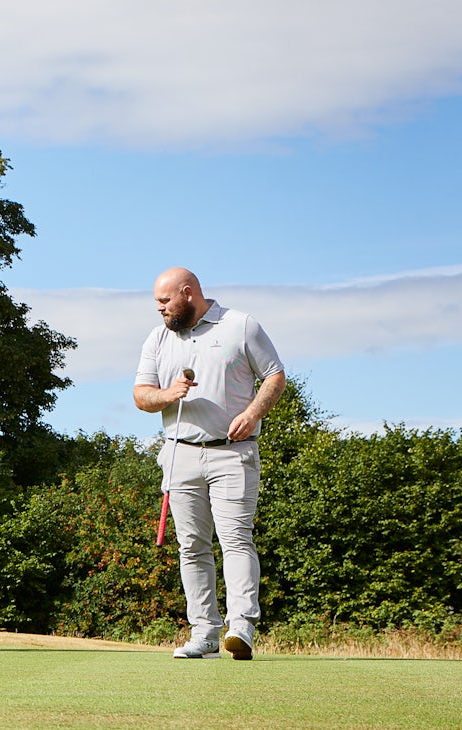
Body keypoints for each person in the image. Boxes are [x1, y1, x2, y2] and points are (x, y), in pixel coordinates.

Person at [133, 268, 285, 660]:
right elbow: (141, 395)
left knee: (235, 538)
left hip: (233, 452)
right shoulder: (158, 338)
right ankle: (204, 634)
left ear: (187, 293)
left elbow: (274, 376)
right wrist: (168, 394)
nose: (160, 309)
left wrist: (252, 413)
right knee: (192, 546)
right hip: (179, 453)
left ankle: (241, 628)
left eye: (165, 301)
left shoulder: (241, 325)